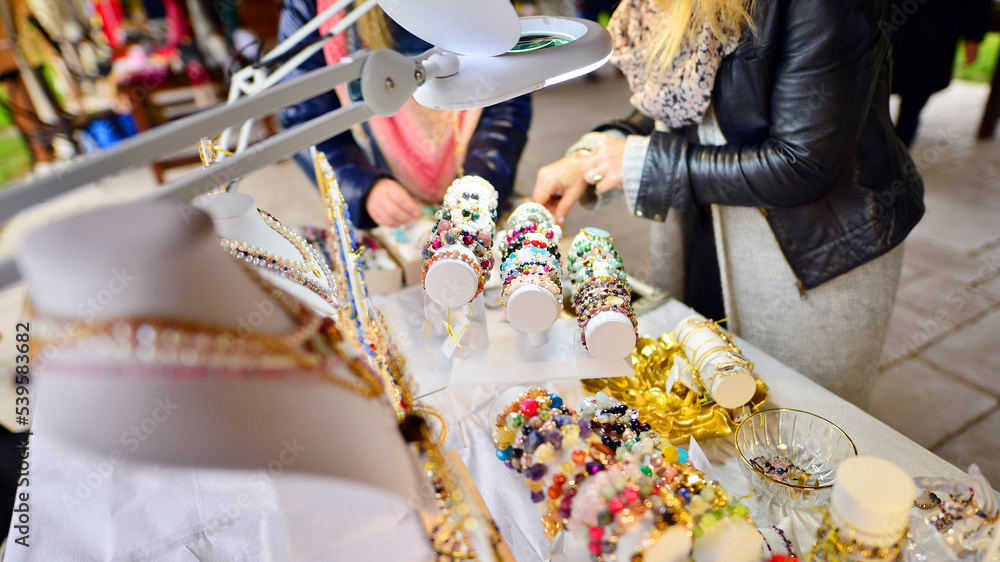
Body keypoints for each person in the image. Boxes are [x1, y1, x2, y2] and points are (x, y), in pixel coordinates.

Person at [532, 0, 925, 408]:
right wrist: (590, 158)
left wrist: (641, 161)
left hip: (810, 253)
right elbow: (674, 97)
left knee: (793, 424)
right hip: (706, 229)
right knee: (706, 403)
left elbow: (803, 163)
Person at [278, 0, 532, 229]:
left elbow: (509, 93)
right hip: (383, 206)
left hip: (482, 195)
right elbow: (305, 116)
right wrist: (361, 186)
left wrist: (483, 178)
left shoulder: (486, 12)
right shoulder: (315, 8)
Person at [889, 0, 994, 147]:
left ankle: (896, 156)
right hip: (889, 24)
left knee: (913, 103)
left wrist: (973, 35)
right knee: (870, 98)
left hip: (936, 31)